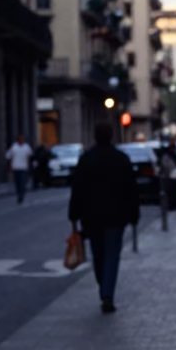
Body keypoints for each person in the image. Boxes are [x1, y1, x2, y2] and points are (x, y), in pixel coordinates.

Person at [68, 122, 140, 313]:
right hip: (116, 216)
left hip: (92, 217)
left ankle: (104, 288)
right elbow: (131, 190)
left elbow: (78, 189)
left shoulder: (86, 159)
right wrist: (134, 213)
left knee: (98, 255)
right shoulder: (121, 159)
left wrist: (74, 214)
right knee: (111, 255)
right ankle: (107, 293)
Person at [5, 135, 33, 204]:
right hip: (16, 167)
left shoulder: (26, 147)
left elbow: (30, 155)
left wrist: (30, 164)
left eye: (22, 139)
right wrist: (10, 166)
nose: (21, 141)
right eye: (20, 139)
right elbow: (8, 156)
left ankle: (21, 195)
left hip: (23, 167)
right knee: (17, 183)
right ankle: (19, 194)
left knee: (22, 182)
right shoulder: (14, 147)